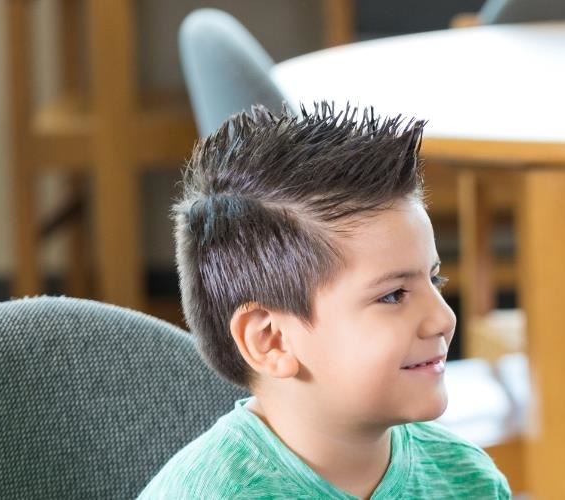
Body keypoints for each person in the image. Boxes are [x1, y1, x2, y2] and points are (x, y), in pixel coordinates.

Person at [139, 104, 510, 499]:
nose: (442, 317)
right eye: (392, 295)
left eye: (434, 278)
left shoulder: (468, 481)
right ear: (271, 340)